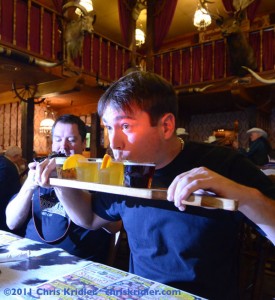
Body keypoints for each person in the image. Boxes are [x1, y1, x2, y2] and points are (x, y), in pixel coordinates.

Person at [25, 72, 275, 300]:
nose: (114, 143)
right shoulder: (124, 171)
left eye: (125, 126)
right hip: (139, 291)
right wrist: (61, 183)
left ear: (165, 126)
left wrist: (243, 196)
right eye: (109, 128)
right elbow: (89, 219)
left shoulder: (223, 164)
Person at [6, 114, 121, 263]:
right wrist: (30, 183)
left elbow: (115, 227)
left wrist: (66, 182)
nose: (63, 146)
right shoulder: (43, 173)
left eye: (71, 140)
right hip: (30, 257)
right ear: (52, 144)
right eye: (58, 139)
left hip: (75, 264)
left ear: (82, 144)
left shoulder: (94, 176)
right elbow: (12, 222)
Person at [0, 146, 22, 231]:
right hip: (5, 204)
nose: (21, 158)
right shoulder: (6, 165)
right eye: (20, 156)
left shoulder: (4, 161)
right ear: (16, 156)